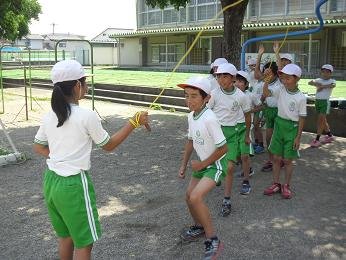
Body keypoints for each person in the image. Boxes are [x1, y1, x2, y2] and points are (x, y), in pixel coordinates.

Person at [33, 60, 149, 260]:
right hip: (74, 185)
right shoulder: (87, 115)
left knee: (66, 237)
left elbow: (38, 146)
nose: (87, 86)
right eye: (85, 82)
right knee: (84, 243)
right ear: (78, 86)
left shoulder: (49, 115)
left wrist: (60, 157)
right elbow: (108, 145)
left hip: (51, 182)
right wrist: (134, 122)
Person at [178, 76, 227, 259]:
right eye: (186, 96)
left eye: (194, 96)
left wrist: (203, 164)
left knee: (196, 197)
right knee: (188, 197)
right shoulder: (191, 116)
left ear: (206, 98)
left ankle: (213, 239)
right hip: (202, 163)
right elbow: (190, 141)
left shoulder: (210, 118)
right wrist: (183, 164)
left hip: (215, 164)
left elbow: (224, 148)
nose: (189, 101)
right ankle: (199, 226)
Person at [208, 63, 252, 217]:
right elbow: (207, 112)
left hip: (232, 133)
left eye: (225, 76)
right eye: (219, 76)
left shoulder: (241, 96)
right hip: (216, 133)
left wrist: (246, 135)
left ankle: (227, 200)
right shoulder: (214, 94)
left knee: (230, 168)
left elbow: (247, 115)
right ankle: (217, 175)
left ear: (233, 78)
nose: (221, 79)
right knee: (214, 162)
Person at [262, 63, 306, 199]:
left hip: (292, 128)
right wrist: (266, 82)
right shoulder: (280, 89)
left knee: (287, 160)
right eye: (283, 77)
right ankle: (276, 183)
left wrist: (298, 137)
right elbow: (266, 93)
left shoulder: (301, 98)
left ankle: (286, 185)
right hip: (279, 125)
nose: (285, 80)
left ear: (297, 79)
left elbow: (302, 118)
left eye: (288, 78)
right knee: (276, 157)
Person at [234, 70, 262, 178]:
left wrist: (251, 111)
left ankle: (247, 173)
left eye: (241, 81)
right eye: (235, 81)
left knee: (244, 154)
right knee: (236, 154)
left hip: (245, 127)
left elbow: (261, 105)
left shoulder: (250, 95)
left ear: (246, 84)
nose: (237, 83)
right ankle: (247, 168)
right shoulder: (232, 95)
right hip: (233, 127)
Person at [260, 61, 282, 172]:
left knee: (277, 139)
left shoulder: (281, 82)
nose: (266, 75)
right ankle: (271, 160)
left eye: (268, 73)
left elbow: (281, 69)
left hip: (279, 112)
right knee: (268, 138)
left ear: (275, 73)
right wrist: (263, 103)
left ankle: (278, 160)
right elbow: (263, 96)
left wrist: (276, 52)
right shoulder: (265, 82)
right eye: (265, 73)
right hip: (269, 111)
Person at [309, 64, 336, 147]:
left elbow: (333, 85)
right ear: (321, 72)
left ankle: (317, 139)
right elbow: (310, 82)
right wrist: (317, 84)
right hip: (317, 102)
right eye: (323, 71)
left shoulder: (332, 80)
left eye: (327, 72)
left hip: (325, 103)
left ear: (331, 73)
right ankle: (330, 136)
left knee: (320, 120)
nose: (325, 73)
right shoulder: (318, 80)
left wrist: (322, 86)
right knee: (323, 120)